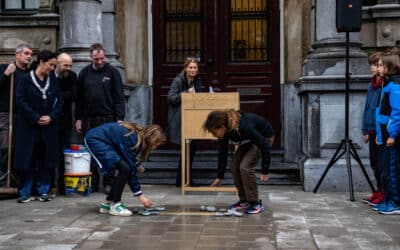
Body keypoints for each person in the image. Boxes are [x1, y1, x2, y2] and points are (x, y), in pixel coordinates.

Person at [84, 122, 166, 216]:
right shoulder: (133, 138)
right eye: (155, 143)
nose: (155, 147)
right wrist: (140, 196)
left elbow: (129, 157)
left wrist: (136, 164)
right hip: (95, 140)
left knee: (124, 168)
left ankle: (107, 204)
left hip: (101, 140)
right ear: (151, 138)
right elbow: (130, 168)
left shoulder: (138, 136)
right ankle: (116, 205)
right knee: (125, 168)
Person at [75, 43, 126, 193]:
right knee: (91, 151)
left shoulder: (113, 72)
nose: (99, 61)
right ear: (91, 57)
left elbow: (119, 97)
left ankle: (108, 183)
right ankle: (93, 182)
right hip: (89, 119)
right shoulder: (84, 73)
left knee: (108, 151)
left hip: (108, 118)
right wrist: (78, 118)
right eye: (96, 59)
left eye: (102, 58)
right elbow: (80, 99)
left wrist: (120, 118)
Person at [202, 109, 274, 214]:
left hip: (264, 137)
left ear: (222, 127)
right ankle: (244, 200)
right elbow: (223, 152)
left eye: (214, 132)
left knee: (245, 167)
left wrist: (265, 170)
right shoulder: (225, 131)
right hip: (247, 140)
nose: (214, 135)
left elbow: (263, 144)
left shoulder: (244, 126)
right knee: (234, 166)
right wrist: (219, 177)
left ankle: (255, 203)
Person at [14, 50, 63, 203]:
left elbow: (60, 102)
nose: (52, 68)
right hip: (29, 126)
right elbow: (20, 101)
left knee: (45, 158)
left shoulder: (53, 80)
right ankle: (25, 191)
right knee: (28, 158)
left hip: (48, 127)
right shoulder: (25, 79)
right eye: (51, 65)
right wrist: (35, 117)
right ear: (42, 61)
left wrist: (51, 116)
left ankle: (43, 190)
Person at [167, 57, 202, 187]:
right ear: (185, 68)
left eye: (195, 68)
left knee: (190, 150)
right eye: (190, 67)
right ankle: (184, 180)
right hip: (181, 120)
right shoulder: (178, 81)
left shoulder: (197, 81)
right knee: (186, 150)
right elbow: (171, 98)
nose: (192, 70)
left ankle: (181, 180)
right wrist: (187, 93)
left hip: (193, 120)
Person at [0, 44, 33, 182]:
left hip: (23, 115)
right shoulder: (5, 68)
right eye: (26, 53)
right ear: (17, 54)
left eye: (30, 54)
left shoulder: (30, 74)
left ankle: (15, 179)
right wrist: (6, 74)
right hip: (7, 113)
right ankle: (3, 178)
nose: (29, 56)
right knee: (6, 146)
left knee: (20, 147)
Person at [373, 52, 400, 215]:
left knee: (391, 170)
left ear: (390, 68)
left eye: (381, 65)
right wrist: (379, 134)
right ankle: (387, 197)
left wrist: (392, 135)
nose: (379, 67)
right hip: (383, 134)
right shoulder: (386, 85)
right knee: (383, 170)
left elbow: (397, 113)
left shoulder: (395, 87)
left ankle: (395, 201)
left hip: (391, 136)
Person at [50, 52, 77, 196]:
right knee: (49, 154)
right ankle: (50, 185)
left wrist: (56, 95)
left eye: (70, 65)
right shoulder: (49, 75)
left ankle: (61, 186)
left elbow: (73, 95)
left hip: (65, 121)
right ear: (58, 64)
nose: (69, 68)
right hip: (49, 121)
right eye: (66, 65)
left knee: (64, 154)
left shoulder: (72, 77)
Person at [361, 52, 384, 205]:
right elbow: (367, 108)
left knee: (382, 164)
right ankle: (378, 190)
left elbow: (380, 109)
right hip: (370, 130)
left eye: (375, 65)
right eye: (371, 65)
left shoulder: (384, 85)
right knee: (374, 162)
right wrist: (365, 130)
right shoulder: (371, 85)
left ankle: (383, 192)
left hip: (379, 131)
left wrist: (378, 131)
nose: (372, 68)